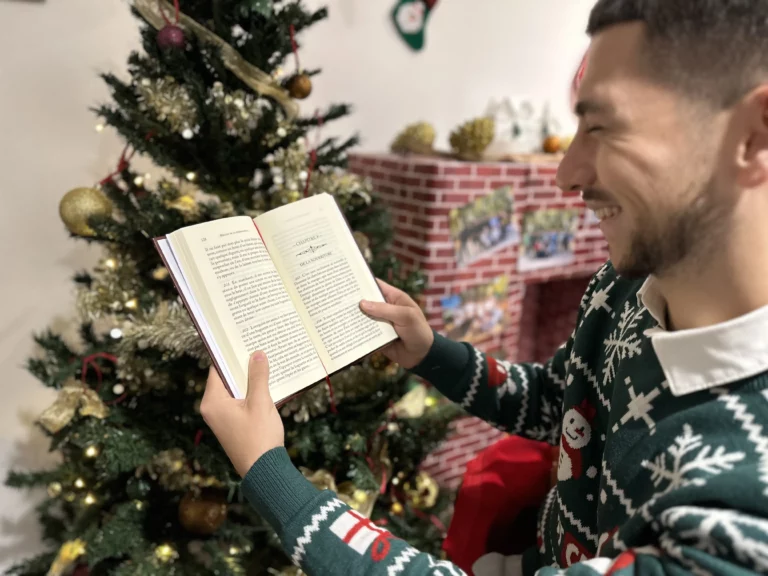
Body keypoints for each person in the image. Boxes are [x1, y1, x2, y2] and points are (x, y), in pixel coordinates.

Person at [200, 1, 768, 575]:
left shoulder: (746, 517)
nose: (566, 173)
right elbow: (560, 402)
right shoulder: (625, 285)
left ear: (753, 135)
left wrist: (270, 473)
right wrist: (431, 352)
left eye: (603, 127)